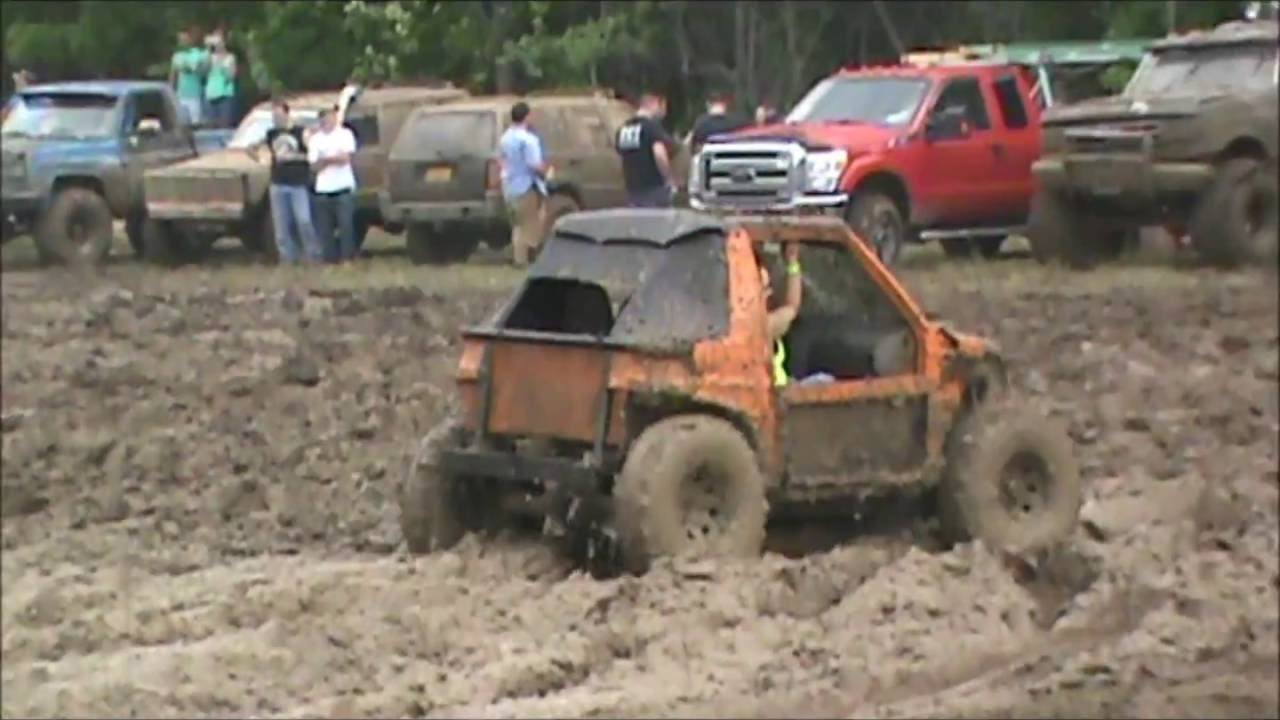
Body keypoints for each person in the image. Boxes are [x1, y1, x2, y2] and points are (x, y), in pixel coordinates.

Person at [250, 99, 321, 264]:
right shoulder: (271, 134)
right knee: (281, 226)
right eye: (274, 116)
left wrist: (296, 157)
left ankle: (313, 254)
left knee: (304, 220)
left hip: (298, 183)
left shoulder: (299, 132)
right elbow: (252, 147)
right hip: (277, 183)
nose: (277, 119)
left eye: (279, 115)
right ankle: (287, 257)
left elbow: (312, 151)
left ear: (287, 114)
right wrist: (261, 159)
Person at [308, 85, 360, 263]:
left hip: (343, 188)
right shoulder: (315, 139)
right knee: (325, 229)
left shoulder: (345, 134)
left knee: (346, 226)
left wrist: (325, 160)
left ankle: (347, 258)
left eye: (330, 115)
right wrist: (332, 159)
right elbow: (314, 166)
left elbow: (346, 158)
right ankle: (329, 259)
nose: (327, 120)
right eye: (324, 117)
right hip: (323, 189)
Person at [498, 101, 551, 266]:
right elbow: (534, 164)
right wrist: (546, 172)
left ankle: (518, 258)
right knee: (531, 224)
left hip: (509, 186)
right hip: (527, 186)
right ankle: (527, 258)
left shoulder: (504, 138)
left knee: (518, 225)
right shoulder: (528, 140)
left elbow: (501, 161)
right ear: (527, 116)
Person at [615, 92, 678, 208]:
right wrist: (669, 178)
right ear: (655, 104)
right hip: (654, 188)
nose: (664, 112)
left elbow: (621, 158)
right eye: (663, 107)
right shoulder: (651, 127)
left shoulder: (623, 129)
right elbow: (659, 154)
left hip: (633, 190)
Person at [759, 242, 804, 386]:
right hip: (772, 397)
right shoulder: (762, 327)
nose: (770, 293)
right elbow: (792, 307)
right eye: (765, 289)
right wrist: (793, 262)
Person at [686, 91, 750, 157]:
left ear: (708, 104)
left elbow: (692, 146)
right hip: (732, 158)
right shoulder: (738, 122)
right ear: (724, 104)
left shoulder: (701, 122)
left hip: (709, 159)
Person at [169, 29, 209, 126]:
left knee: (196, 123)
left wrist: (195, 69)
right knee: (181, 123)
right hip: (180, 95)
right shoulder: (176, 56)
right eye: (180, 40)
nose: (182, 42)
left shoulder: (199, 54)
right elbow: (173, 75)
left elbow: (204, 72)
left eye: (185, 39)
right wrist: (171, 92)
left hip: (195, 94)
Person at [204, 30, 237, 129]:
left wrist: (221, 64)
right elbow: (203, 71)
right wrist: (207, 50)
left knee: (224, 124)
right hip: (211, 94)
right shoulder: (209, 57)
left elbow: (231, 76)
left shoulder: (230, 57)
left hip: (225, 94)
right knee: (210, 125)